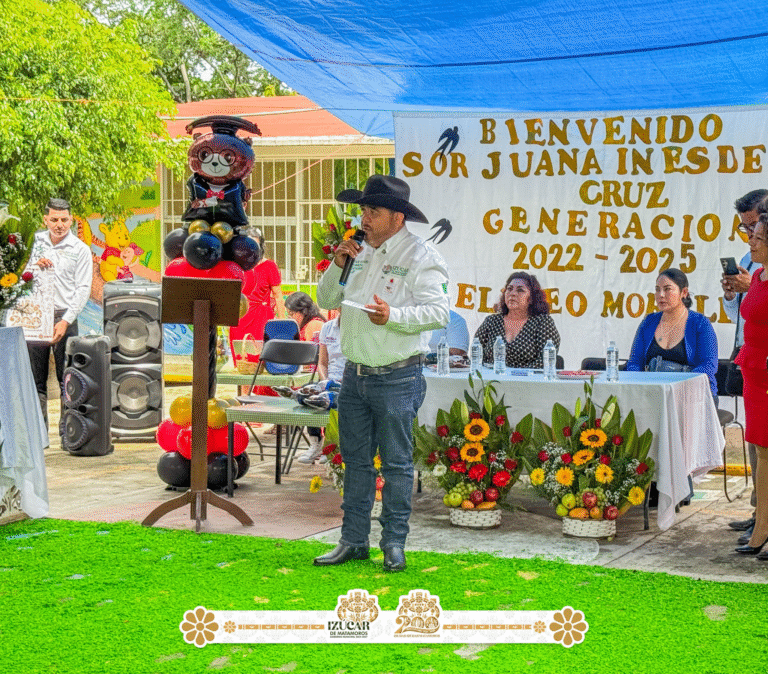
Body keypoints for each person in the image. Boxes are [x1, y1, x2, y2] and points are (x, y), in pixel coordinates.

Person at [314, 174, 449, 572]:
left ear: (397, 217)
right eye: (362, 210)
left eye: (372, 210)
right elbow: (325, 299)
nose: (364, 217)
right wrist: (337, 265)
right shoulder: (357, 251)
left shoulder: (421, 257)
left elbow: (437, 313)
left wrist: (394, 317)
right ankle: (353, 540)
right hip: (354, 377)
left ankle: (394, 543)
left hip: (397, 378)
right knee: (355, 462)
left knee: (395, 464)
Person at [722, 189, 767, 538]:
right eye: (744, 228)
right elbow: (744, 313)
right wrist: (731, 294)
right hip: (748, 355)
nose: (749, 236)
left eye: (754, 227)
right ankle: (758, 512)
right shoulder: (748, 256)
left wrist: (752, 285)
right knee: (754, 442)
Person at [25, 198, 93, 430]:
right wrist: (33, 267)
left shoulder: (80, 250)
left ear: (71, 220)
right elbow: (18, 276)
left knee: (67, 379)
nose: (59, 224)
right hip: (36, 316)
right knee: (36, 378)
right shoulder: (32, 243)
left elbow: (83, 289)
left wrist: (65, 321)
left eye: (64, 220)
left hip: (65, 316)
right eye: (54, 219)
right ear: (45, 220)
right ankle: (39, 433)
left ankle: (69, 430)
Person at [626, 268, 718, 400]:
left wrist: (677, 389)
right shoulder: (648, 322)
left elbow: (709, 366)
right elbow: (634, 362)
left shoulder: (700, 323)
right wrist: (641, 387)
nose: (661, 295)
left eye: (667, 289)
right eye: (657, 289)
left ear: (684, 292)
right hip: (653, 394)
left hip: (694, 396)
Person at [733, 214, 768, 558]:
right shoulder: (757, 276)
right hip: (754, 369)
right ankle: (762, 523)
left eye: (757, 237)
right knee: (760, 447)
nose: (750, 241)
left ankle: (764, 528)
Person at [474, 271, 560, 368]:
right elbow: (476, 355)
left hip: (529, 381)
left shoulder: (543, 322)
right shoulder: (491, 321)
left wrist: (515, 377)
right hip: (491, 380)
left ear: (531, 298)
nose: (512, 293)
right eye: (509, 289)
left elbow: (545, 361)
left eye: (520, 290)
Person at [228, 228, 285, 366]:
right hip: (239, 317)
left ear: (260, 246)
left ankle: (261, 388)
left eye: (254, 245)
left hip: (261, 318)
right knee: (242, 361)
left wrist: (282, 323)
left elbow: (278, 295)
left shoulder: (269, 266)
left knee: (259, 360)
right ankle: (244, 389)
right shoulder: (235, 266)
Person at [285, 291, 327, 464]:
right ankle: (317, 444)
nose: (291, 318)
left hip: (320, 376)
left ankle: (317, 444)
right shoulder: (314, 324)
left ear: (302, 311)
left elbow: (315, 358)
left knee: (307, 393)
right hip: (316, 374)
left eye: (292, 314)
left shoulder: (314, 325)